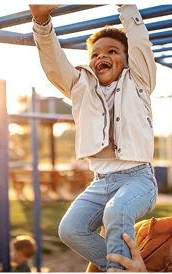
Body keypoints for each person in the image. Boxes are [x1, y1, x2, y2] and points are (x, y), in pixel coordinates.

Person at [29, 4, 157, 272]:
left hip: (138, 179)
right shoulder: (80, 87)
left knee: (117, 211)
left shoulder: (139, 81)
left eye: (112, 51)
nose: (103, 57)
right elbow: (54, 63)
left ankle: (120, 270)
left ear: (128, 58)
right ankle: (123, 267)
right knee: (70, 229)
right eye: (96, 54)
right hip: (100, 183)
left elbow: (140, 43)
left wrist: (126, 7)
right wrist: (41, 21)